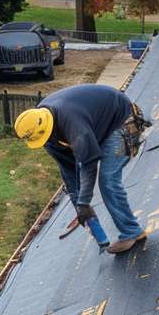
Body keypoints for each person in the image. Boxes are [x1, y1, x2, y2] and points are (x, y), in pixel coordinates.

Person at [14, 83, 148, 254]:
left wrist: (84, 202)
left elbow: (88, 164)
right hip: (96, 125)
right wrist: (78, 204)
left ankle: (132, 232)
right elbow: (68, 169)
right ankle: (126, 231)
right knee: (90, 185)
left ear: (48, 127)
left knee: (108, 181)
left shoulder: (73, 124)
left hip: (121, 120)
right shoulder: (45, 135)